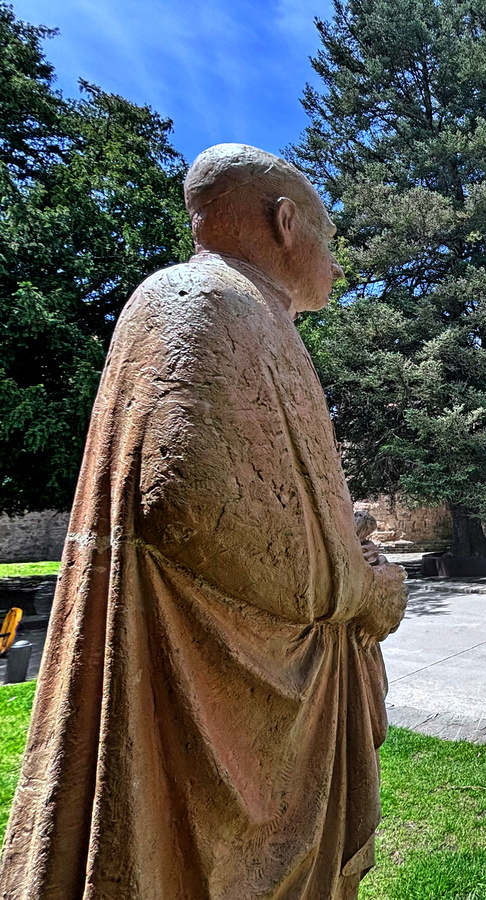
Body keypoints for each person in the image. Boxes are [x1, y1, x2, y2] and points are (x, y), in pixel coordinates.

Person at [0, 144, 408, 899]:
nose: (340, 265)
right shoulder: (200, 302)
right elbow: (194, 512)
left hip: (284, 697)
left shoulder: (260, 319)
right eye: (327, 234)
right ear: (285, 222)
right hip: (204, 703)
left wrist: (349, 545)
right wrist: (360, 589)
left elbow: (281, 497)